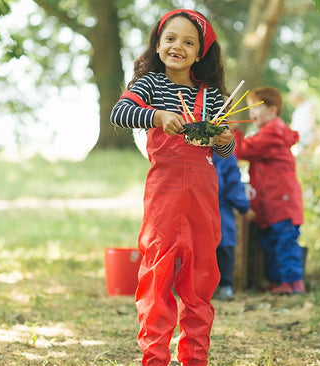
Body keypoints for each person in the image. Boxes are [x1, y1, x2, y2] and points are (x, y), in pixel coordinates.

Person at [110, 9, 234, 366]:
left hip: (202, 200)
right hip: (163, 199)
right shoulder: (149, 85)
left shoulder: (210, 96)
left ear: (200, 54)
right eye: (171, 38)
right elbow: (120, 112)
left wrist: (224, 138)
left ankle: (195, 358)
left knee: (200, 280)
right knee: (156, 280)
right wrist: (158, 116)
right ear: (158, 44)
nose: (178, 45)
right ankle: (154, 358)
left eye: (188, 42)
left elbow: (225, 151)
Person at [231, 86, 305, 295]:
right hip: (272, 202)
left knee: (284, 243)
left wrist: (231, 133)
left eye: (256, 108)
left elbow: (244, 150)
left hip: (283, 203)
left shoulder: (274, 132)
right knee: (271, 243)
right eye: (249, 108)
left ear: (272, 111)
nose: (251, 113)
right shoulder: (268, 131)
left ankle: (293, 282)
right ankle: (279, 281)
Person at [213, 152, 254, 301]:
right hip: (218, 209)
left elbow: (232, 185)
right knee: (224, 247)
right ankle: (225, 287)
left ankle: (216, 288)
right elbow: (233, 187)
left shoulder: (194, 148)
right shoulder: (225, 155)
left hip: (209, 207)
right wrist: (244, 207)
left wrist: (243, 206)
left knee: (211, 248)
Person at [289, 91, 316, 156]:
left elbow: (312, 119)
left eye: (293, 100)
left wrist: (313, 131)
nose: (292, 102)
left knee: (306, 153)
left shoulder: (308, 105)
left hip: (306, 133)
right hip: (298, 135)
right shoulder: (297, 109)